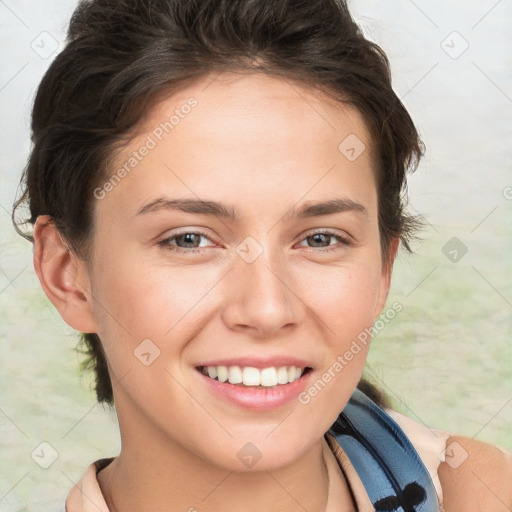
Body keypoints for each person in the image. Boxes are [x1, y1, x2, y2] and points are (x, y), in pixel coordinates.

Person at [12, 0, 511, 510]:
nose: (268, 310)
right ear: (67, 274)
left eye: (320, 239)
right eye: (189, 239)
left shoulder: (479, 492)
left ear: (383, 269)